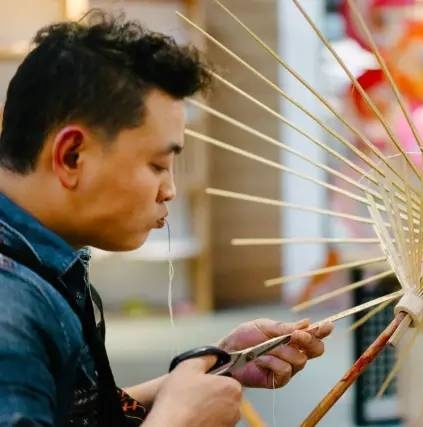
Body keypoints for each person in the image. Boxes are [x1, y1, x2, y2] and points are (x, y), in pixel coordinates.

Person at [0, 11, 333, 427]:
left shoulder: (38, 266)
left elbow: (71, 413)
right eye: (158, 165)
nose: (169, 189)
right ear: (72, 156)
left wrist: (217, 366)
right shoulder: (10, 309)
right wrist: (179, 418)